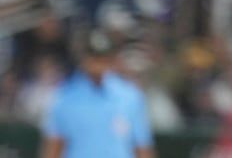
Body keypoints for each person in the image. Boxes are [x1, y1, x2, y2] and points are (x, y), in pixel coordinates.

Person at [40, 30, 154, 158]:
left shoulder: (130, 97)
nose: (98, 63)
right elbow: (54, 148)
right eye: (94, 57)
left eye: (103, 57)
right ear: (83, 58)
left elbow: (141, 147)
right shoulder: (63, 98)